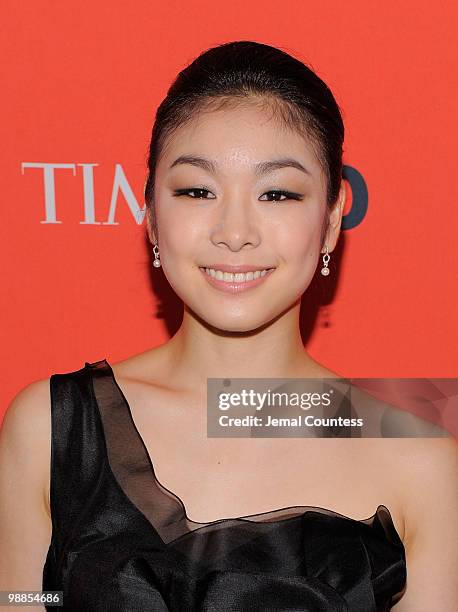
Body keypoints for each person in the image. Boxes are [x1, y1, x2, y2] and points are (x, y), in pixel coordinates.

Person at [1, 40, 456, 611]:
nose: (235, 231)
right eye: (197, 190)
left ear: (333, 219)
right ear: (149, 212)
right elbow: (20, 596)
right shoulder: (50, 428)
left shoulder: (420, 463)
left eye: (277, 193)